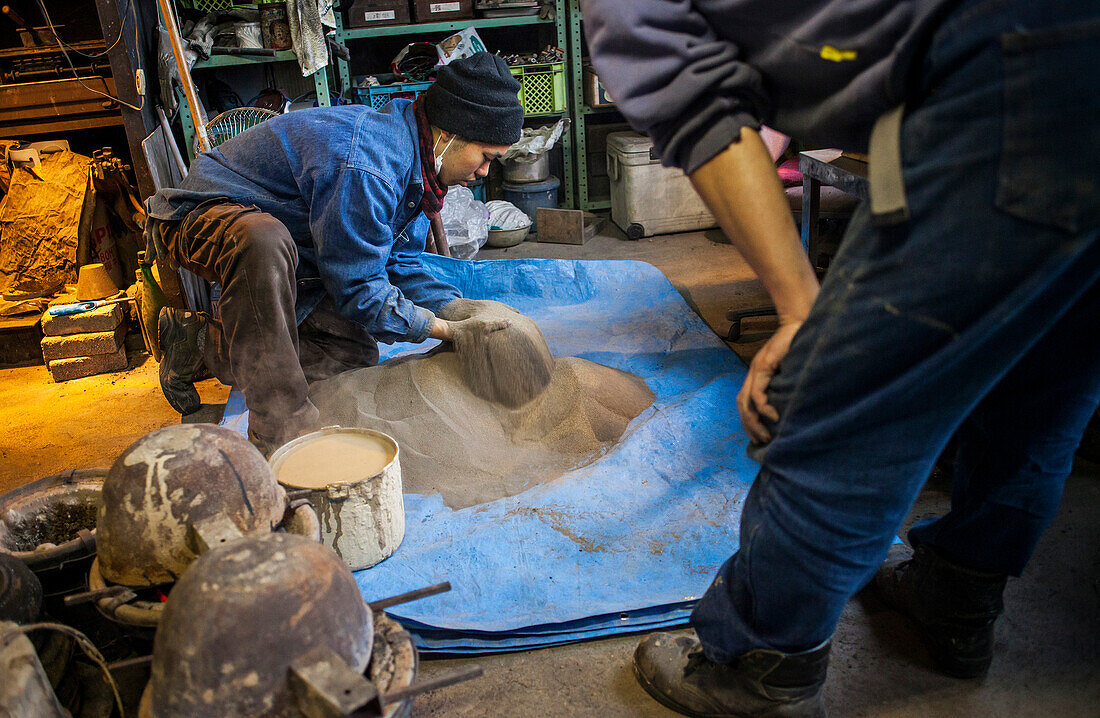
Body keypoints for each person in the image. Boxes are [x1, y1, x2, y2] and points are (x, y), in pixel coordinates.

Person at [581, 0, 1099, 715]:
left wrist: (803, 311)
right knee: (1044, 382)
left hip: (1017, 76)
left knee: (838, 403)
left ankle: (758, 665)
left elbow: (699, 108)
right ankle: (957, 593)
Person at [146, 52, 523, 453]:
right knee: (263, 241)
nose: (485, 172)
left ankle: (200, 340)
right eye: (485, 157)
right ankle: (282, 437)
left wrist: (460, 312)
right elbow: (360, 289)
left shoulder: (422, 166)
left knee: (350, 359)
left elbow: (399, 262)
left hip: (297, 239)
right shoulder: (371, 165)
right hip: (202, 215)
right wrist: (443, 331)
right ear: (449, 135)